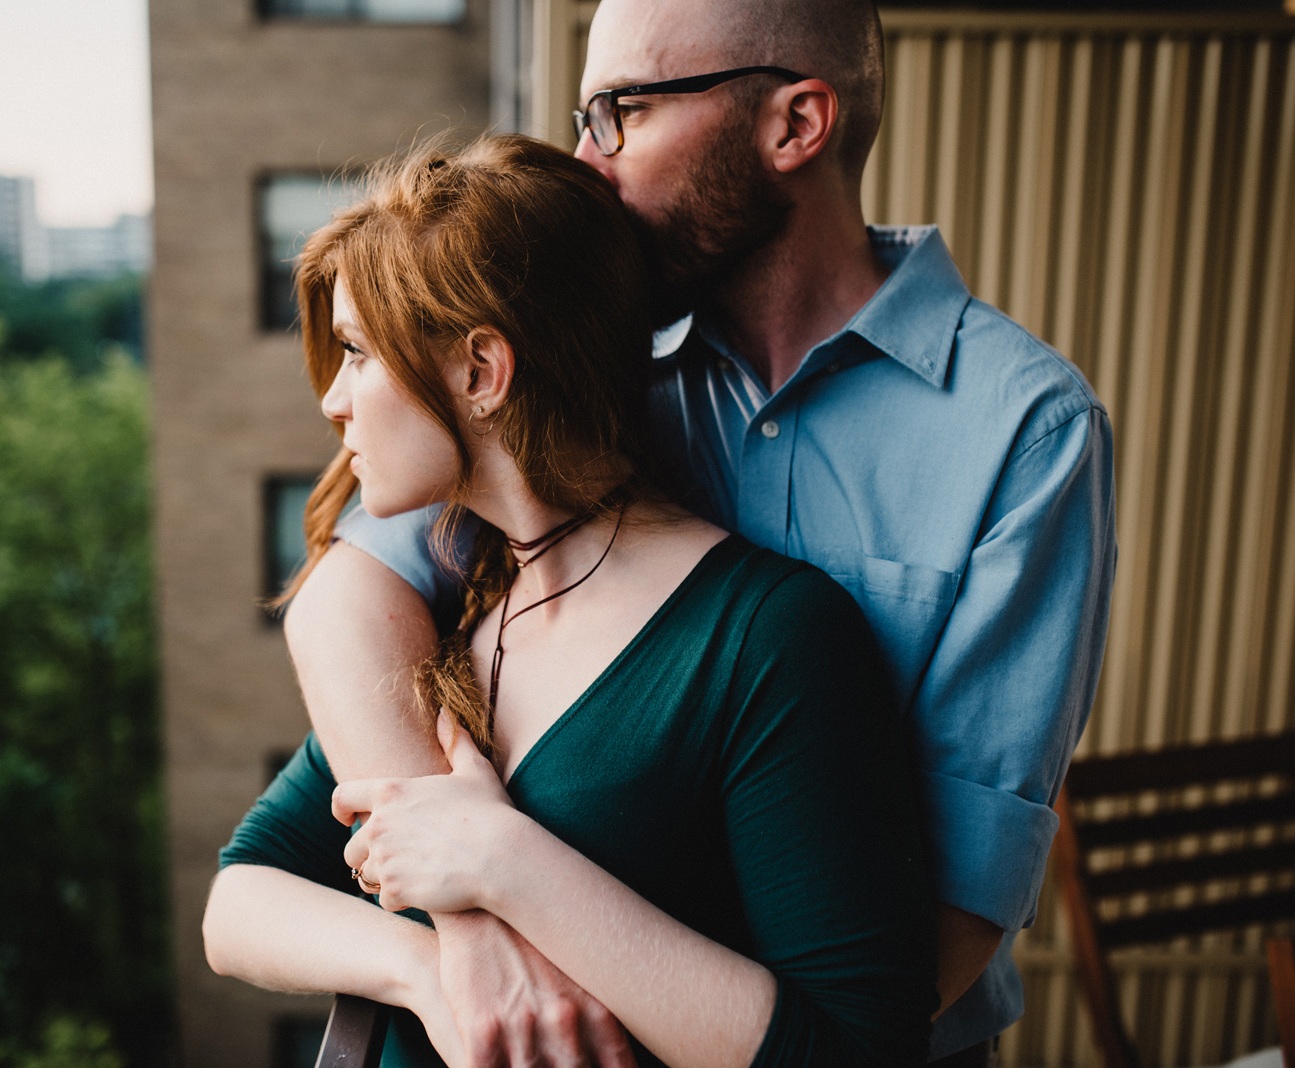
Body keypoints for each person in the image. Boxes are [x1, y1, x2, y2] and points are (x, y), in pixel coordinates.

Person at [282, 0, 1118, 1064]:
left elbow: (948, 917)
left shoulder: (1025, 432)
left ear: (794, 125)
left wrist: (591, 967)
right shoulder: (589, 370)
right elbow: (347, 598)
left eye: (619, 112)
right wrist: (474, 931)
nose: (585, 161)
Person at [204, 135, 937, 1068]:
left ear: (480, 371)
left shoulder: (771, 640)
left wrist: (505, 862)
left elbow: (860, 1050)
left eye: (358, 352)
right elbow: (239, 901)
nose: (333, 402)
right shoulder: (459, 609)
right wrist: (433, 967)